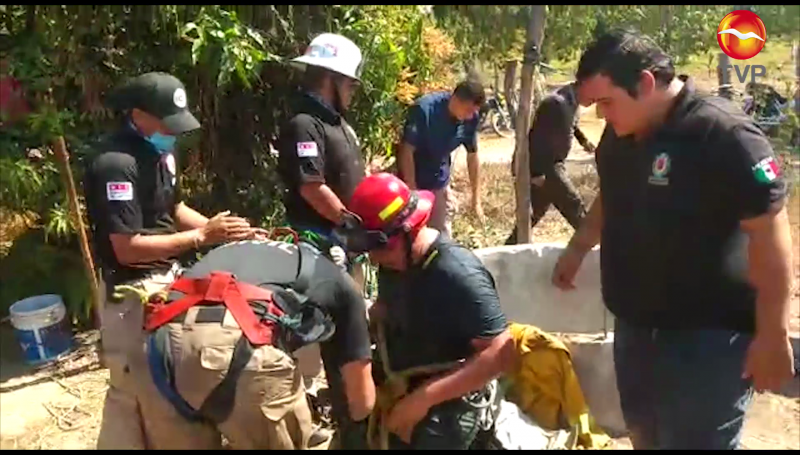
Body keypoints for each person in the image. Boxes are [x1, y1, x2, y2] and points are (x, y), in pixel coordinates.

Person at [551, 30, 795, 450]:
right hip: (635, 329)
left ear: (646, 83)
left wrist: (773, 333)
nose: (602, 116)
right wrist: (578, 247)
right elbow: (612, 193)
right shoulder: (621, 135)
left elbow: (770, 234)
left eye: (606, 102)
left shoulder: (724, 136)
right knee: (646, 438)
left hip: (709, 340)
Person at [82, 72, 257, 450]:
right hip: (132, 292)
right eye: (165, 123)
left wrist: (221, 231)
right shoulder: (115, 163)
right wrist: (200, 237)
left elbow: (173, 208)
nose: (172, 132)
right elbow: (126, 247)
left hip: (168, 277)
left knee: (171, 380)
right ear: (138, 114)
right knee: (132, 391)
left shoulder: (160, 150)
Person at [130, 237, 376, 449]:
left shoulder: (241, 251)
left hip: (154, 349)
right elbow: (361, 403)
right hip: (232, 346)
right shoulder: (344, 289)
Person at [340, 173, 515, 449]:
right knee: (353, 426)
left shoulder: (457, 273)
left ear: (406, 234)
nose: (373, 257)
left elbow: (499, 353)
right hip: (404, 374)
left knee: (429, 439)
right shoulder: (393, 262)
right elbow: (393, 305)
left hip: (454, 390)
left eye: (377, 247)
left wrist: (421, 400)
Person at [276, 32, 367, 285]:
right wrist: (349, 222)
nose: (353, 92)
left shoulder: (337, 123)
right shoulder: (305, 124)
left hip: (346, 243)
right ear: (330, 80)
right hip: (320, 247)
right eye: (351, 84)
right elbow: (312, 187)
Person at [506, 81, 596, 245]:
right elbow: (537, 139)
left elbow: (572, 124)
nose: (595, 101)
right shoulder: (556, 104)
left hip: (552, 166)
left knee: (533, 215)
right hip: (548, 168)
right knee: (574, 207)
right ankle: (597, 250)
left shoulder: (571, 103)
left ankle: (506, 253)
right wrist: (535, 174)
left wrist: (583, 141)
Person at [395, 80, 487, 237]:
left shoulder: (471, 118)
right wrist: (412, 190)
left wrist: (476, 200)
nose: (470, 116)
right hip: (410, 180)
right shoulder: (424, 110)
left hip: (438, 181)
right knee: (409, 234)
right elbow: (407, 150)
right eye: (468, 110)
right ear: (456, 100)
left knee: (440, 237)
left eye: (474, 112)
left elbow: (472, 156)